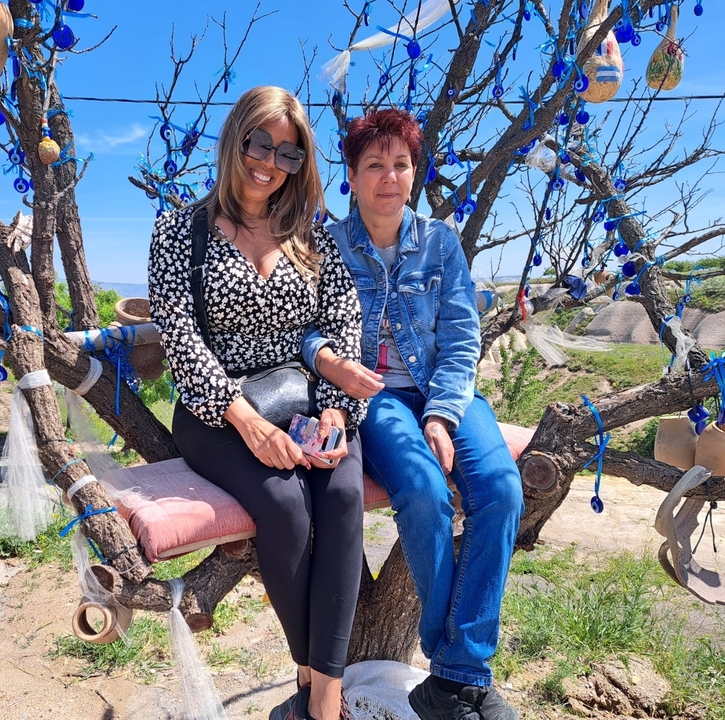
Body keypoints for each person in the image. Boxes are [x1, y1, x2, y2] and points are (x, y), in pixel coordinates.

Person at [148, 86, 367, 720]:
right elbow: (181, 338)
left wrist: (334, 409)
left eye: (289, 154)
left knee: (343, 495)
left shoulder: (311, 235)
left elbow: (343, 319)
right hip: (217, 409)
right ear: (236, 139)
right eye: (261, 144)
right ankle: (320, 688)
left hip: (304, 399)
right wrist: (245, 422)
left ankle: (318, 696)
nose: (271, 162)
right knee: (284, 505)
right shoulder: (180, 231)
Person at [304, 108, 524, 720]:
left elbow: (461, 336)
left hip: (447, 393)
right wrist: (334, 366)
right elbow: (305, 331)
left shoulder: (439, 243)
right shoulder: (325, 246)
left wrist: (443, 416)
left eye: (401, 164)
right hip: (376, 398)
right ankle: (459, 673)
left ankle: (454, 677)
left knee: (502, 490)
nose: (390, 177)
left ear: (414, 173)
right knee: (425, 492)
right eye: (374, 165)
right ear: (351, 175)